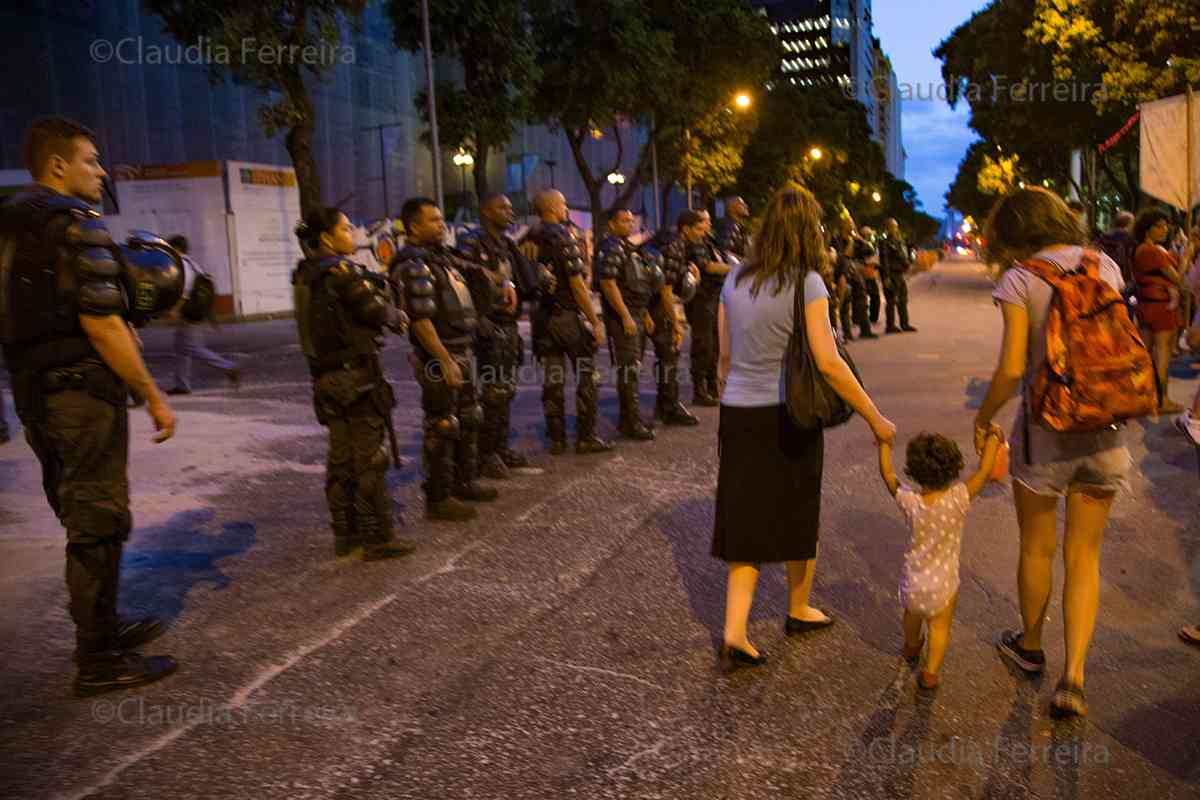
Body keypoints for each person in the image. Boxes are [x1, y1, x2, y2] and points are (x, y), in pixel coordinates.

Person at [1, 117, 178, 695]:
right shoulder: (74, 224)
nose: (102, 173)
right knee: (98, 520)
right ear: (59, 166)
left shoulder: (13, 226)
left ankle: (103, 627)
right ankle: (98, 661)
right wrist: (152, 395)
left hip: (35, 391)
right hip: (79, 394)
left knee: (83, 515)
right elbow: (102, 323)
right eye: (93, 161)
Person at [712, 185, 896, 671]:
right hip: (786, 414)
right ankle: (798, 608)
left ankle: (735, 629)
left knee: (744, 515)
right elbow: (829, 362)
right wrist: (875, 416)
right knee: (800, 506)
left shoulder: (734, 279)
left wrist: (735, 390)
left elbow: (724, 358)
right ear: (807, 232)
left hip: (737, 413)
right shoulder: (807, 282)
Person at [975, 187, 1134, 719]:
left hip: (1045, 434)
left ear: (1013, 232)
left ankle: (1031, 646)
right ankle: (1075, 678)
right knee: (1084, 556)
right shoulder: (1105, 266)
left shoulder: (1020, 279)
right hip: (1105, 429)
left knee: (1037, 548)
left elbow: (1013, 370)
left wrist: (983, 416)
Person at [292, 207, 416, 558]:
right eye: (346, 228)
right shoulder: (343, 272)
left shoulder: (304, 274)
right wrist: (397, 313)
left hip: (326, 379)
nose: (352, 234)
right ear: (328, 238)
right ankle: (377, 536)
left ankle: (345, 533)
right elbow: (379, 313)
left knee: (341, 458)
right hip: (356, 377)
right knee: (369, 459)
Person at [393, 197, 502, 519]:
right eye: (434, 220)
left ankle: (464, 481)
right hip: (439, 355)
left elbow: (478, 272)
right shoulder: (413, 264)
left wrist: (504, 281)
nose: (442, 225)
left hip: (462, 347)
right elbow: (420, 320)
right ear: (414, 226)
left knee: (469, 416)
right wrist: (443, 359)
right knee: (442, 423)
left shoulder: (441, 259)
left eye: (442, 219)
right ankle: (439, 497)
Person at [879, 428, 1004, 691]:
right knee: (940, 627)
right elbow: (984, 472)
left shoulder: (910, 502)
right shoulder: (958, 499)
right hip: (944, 585)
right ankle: (931, 673)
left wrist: (884, 446)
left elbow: (889, 477)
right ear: (954, 468)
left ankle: (912, 646)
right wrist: (993, 440)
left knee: (911, 617)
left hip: (913, 582)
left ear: (913, 470)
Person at [454, 193, 549, 479]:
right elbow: (458, 269)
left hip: (508, 327)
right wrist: (494, 278)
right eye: (502, 208)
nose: (509, 212)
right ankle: (486, 454)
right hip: (487, 325)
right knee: (490, 394)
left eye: (510, 208)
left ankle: (499, 447)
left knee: (505, 391)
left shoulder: (509, 245)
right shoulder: (472, 241)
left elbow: (526, 281)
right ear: (485, 212)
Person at [522, 190, 612, 455]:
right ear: (552, 207)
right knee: (587, 376)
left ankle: (557, 438)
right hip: (567, 319)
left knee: (553, 380)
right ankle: (586, 436)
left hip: (541, 318)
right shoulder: (563, 236)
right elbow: (577, 285)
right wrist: (595, 321)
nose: (566, 208)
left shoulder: (527, 239)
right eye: (563, 203)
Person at [595, 208, 663, 440]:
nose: (630, 224)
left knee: (633, 368)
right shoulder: (612, 246)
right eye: (624, 220)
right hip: (623, 315)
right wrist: (625, 315)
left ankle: (630, 419)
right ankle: (630, 422)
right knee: (629, 370)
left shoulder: (628, 248)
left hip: (637, 312)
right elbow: (608, 283)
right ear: (611, 224)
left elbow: (639, 285)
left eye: (631, 220)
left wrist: (645, 315)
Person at [1132, 209, 1196, 414]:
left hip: (1146, 305)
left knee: (1147, 354)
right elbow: (1178, 278)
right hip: (1161, 307)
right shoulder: (1153, 251)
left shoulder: (1141, 250)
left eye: (1166, 225)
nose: (1165, 229)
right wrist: (1186, 256)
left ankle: (1144, 397)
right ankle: (1162, 400)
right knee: (1163, 355)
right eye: (1159, 225)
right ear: (1147, 229)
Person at [163, 235, 239, 395]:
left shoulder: (182, 264)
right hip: (196, 310)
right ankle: (182, 385)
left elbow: (186, 290)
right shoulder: (193, 263)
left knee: (193, 348)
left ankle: (228, 367)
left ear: (176, 248)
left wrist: (175, 310)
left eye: (169, 248)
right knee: (181, 348)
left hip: (189, 312)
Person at [642, 229, 700, 427]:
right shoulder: (675, 246)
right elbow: (666, 290)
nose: (704, 231)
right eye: (700, 227)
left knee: (663, 357)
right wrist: (676, 322)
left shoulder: (665, 242)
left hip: (642, 303)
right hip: (652, 304)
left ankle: (664, 406)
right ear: (687, 228)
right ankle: (669, 408)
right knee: (668, 353)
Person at [685, 210, 732, 406]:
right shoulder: (694, 245)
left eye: (708, 220)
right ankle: (700, 389)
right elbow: (707, 267)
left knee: (714, 343)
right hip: (701, 299)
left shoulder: (708, 243)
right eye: (702, 221)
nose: (706, 225)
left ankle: (712, 384)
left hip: (713, 298)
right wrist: (737, 268)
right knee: (703, 344)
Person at [831, 215, 876, 341]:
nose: (852, 225)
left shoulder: (856, 239)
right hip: (842, 272)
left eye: (852, 223)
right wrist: (851, 242)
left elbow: (871, 251)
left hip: (853, 271)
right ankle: (846, 333)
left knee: (862, 298)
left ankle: (865, 329)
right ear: (844, 226)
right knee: (844, 302)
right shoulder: (836, 240)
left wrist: (861, 239)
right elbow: (843, 256)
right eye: (849, 223)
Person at [878, 218, 917, 333]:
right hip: (891, 274)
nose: (894, 229)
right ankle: (890, 326)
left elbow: (905, 254)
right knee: (891, 301)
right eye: (891, 226)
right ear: (887, 228)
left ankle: (904, 324)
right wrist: (886, 277)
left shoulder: (899, 241)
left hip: (900, 274)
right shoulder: (884, 242)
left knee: (903, 299)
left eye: (895, 226)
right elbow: (884, 260)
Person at [1095, 210, 1136, 284]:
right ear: (1129, 224)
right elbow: (1129, 259)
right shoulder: (1129, 239)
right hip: (1120, 274)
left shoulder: (1104, 235)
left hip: (1103, 270)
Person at [714, 196, 751, 260]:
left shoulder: (738, 225)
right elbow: (724, 251)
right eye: (741, 204)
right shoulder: (728, 226)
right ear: (732, 208)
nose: (746, 206)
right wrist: (745, 261)